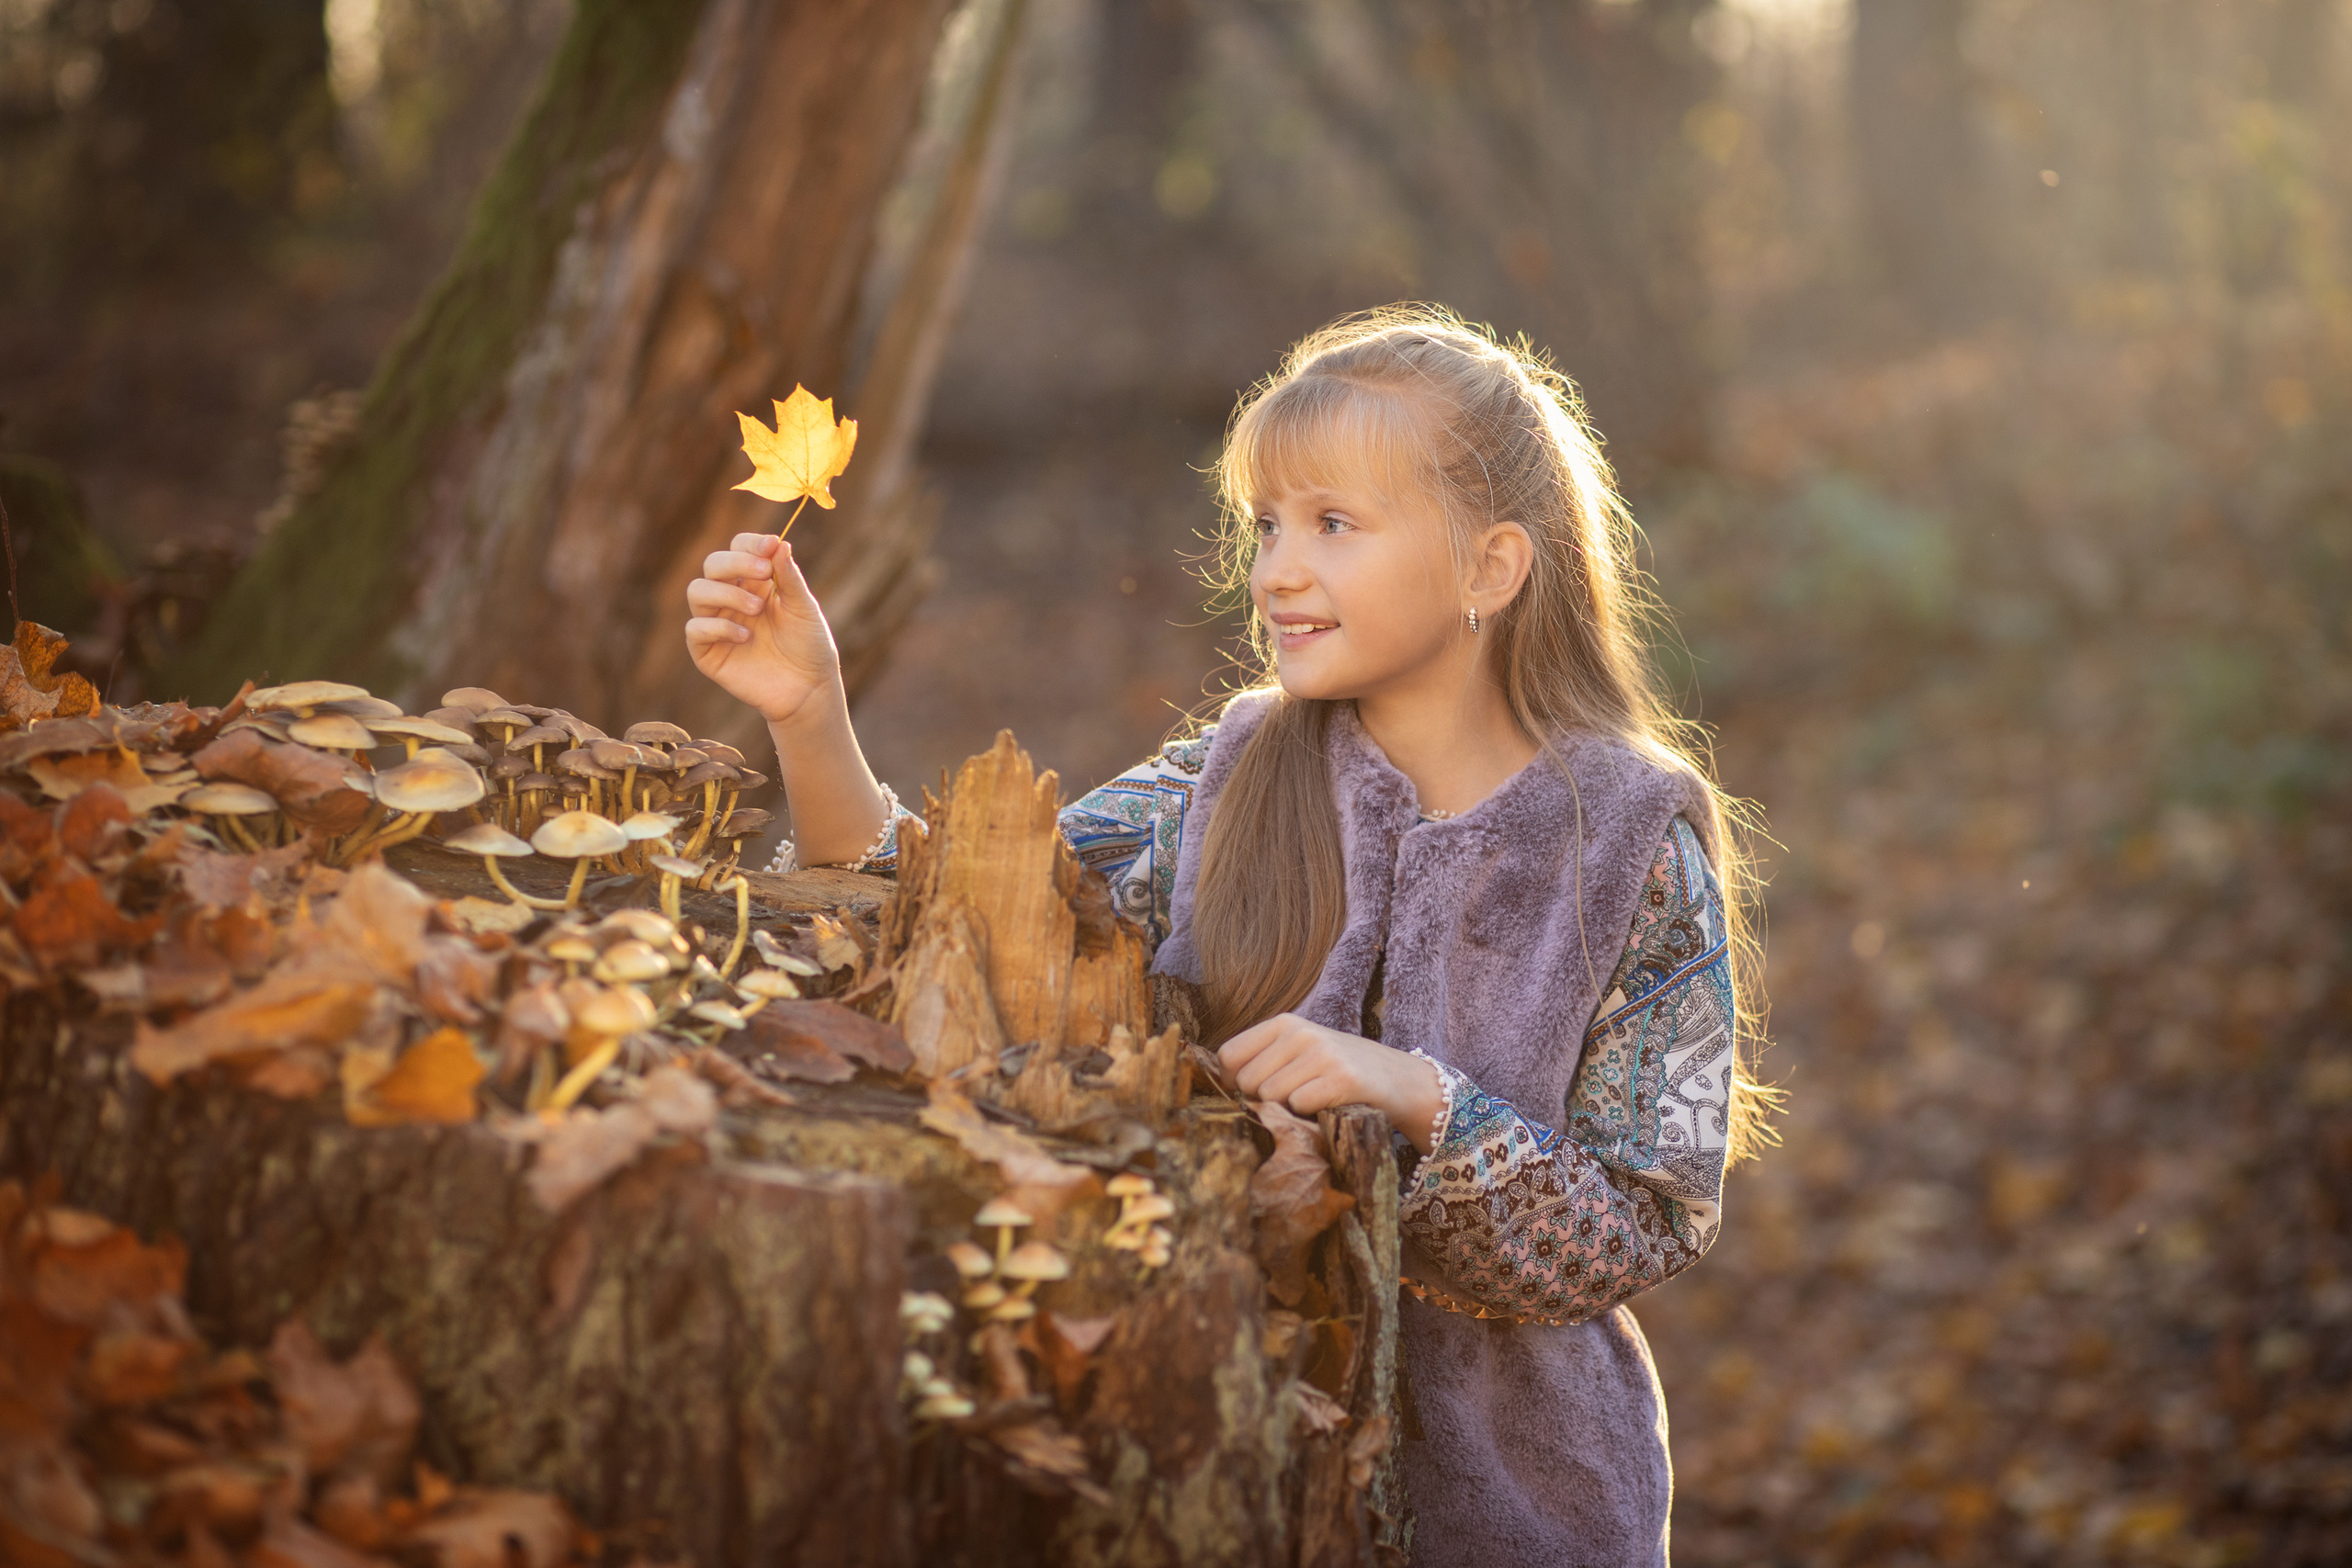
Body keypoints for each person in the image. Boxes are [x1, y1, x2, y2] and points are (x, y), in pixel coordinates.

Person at [684, 305, 1769, 1568]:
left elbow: (1646, 1220)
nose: (1274, 572)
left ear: (1491, 567)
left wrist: (1423, 1102)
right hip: (1216, 1456)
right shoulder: (1232, 777)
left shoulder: (1629, 842)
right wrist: (812, 713)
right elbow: (951, 930)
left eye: (1334, 526)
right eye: (1266, 527)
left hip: (1519, 1504)